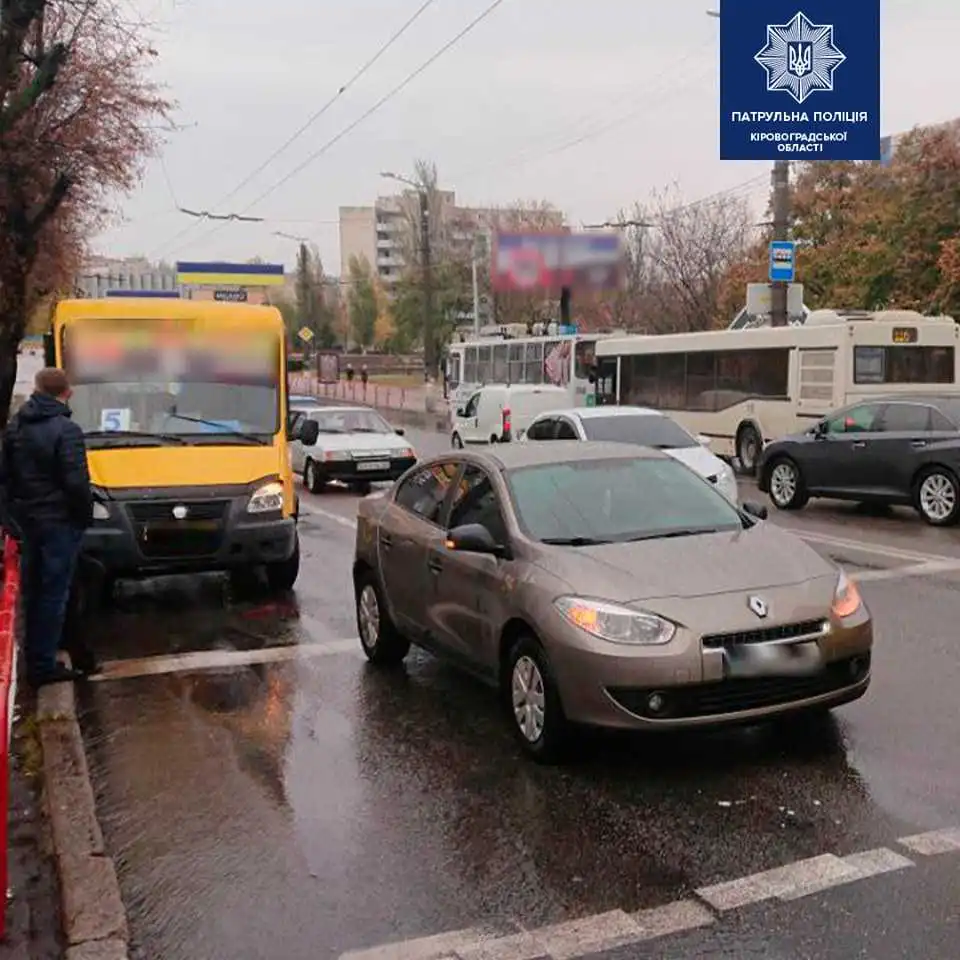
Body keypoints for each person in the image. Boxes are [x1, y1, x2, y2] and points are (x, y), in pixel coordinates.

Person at [2, 368, 94, 686]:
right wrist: (83, 518)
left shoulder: (15, 427)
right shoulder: (66, 430)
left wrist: (11, 518)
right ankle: (43, 665)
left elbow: (6, 479)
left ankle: (37, 656)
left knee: (34, 591)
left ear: (36, 389)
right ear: (67, 393)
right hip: (58, 522)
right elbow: (76, 483)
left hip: (28, 522)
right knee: (55, 593)